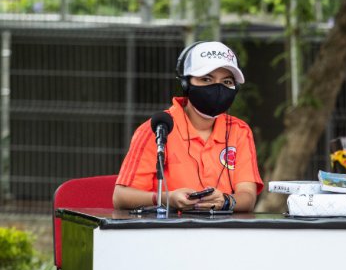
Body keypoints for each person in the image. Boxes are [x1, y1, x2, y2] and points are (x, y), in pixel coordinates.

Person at [112, 41, 263, 211]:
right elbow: (120, 197)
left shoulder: (239, 131)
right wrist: (166, 198)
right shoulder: (158, 128)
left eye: (227, 81)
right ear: (185, 83)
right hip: (167, 227)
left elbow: (248, 197)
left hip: (223, 227)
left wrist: (226, 201)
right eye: (206, 79)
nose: (218, 88)